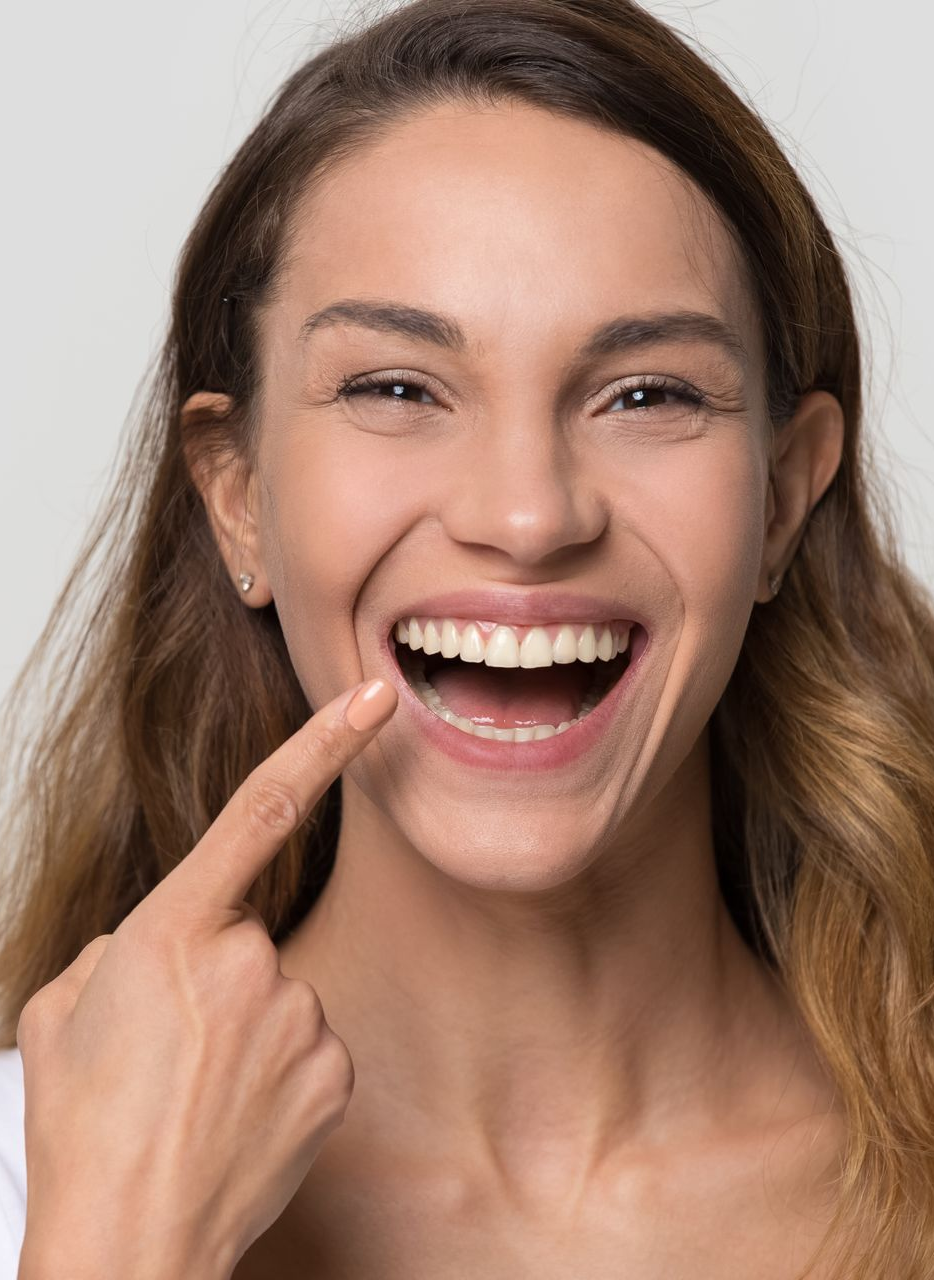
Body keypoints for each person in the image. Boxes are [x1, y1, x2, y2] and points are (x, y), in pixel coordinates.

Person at [2, 0, 933, 1275]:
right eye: (396, 388)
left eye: (645, 393)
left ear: (783, 497)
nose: (527, 514)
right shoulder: (39, 1183)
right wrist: (117, 1243)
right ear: (237, 499)